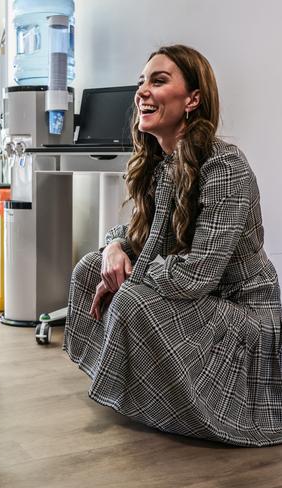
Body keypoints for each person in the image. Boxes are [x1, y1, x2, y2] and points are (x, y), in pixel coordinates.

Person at [63, 44, 282, 447]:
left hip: (241, 310)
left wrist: (131, 274)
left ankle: (180, 407)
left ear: (193, 99)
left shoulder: (225, 166)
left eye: (158, 81)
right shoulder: (159, 162)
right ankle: (147, 398)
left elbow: (196, 276)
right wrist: (114, 249)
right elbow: (135, 235)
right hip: (197, 295)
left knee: (130, 298)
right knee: (90, 269)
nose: (142, 91)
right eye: (141, 82)